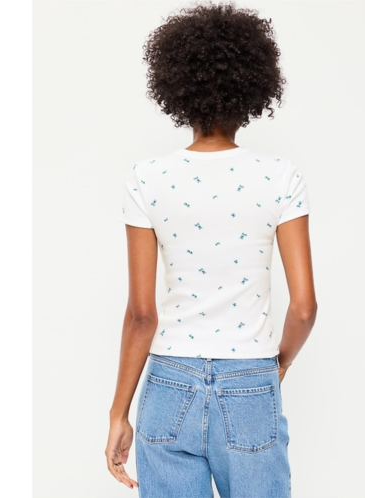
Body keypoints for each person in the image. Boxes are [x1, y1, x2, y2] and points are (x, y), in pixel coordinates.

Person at [105, 3, 317, 497]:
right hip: (251, 380)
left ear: (177, 89)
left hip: (168, 383)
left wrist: (118, 413)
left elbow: (141, 315)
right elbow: (304, 308)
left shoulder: (147, 178)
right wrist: (278, 365)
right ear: (253, 89)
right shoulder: (280, 178)